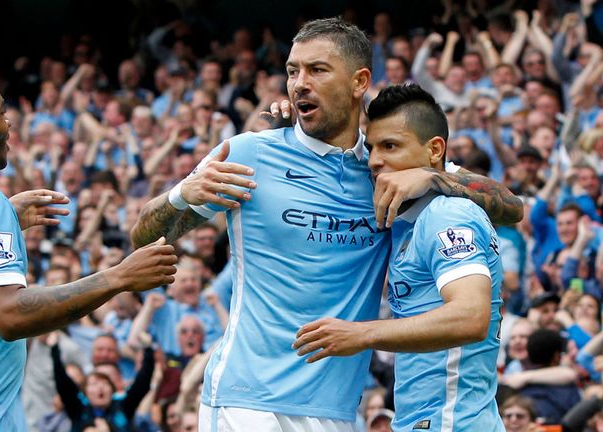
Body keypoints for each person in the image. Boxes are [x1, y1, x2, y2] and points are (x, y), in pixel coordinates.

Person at [130, 18, 522, 431]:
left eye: (317, 70)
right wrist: (181, 195)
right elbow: (146, 237)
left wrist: (434, 177)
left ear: (359, 82)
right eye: (292, 70)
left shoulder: (384, 163)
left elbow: (510, 207)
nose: (299, 83)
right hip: (246, 400)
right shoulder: (251, 154)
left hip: (336, 410)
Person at [0, 52, 178, 431]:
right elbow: (10, 314)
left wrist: (2, 220)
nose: (8, 124)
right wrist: (118, 277)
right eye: (0, 111)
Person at [294, 84, 505, 431]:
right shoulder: (406, 219)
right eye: (372, 146)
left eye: (391, 146)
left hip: (453, 423)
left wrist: (362, 335)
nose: (375, 160)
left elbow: (471, 316)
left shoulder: (446, 215)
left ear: (434, 150)